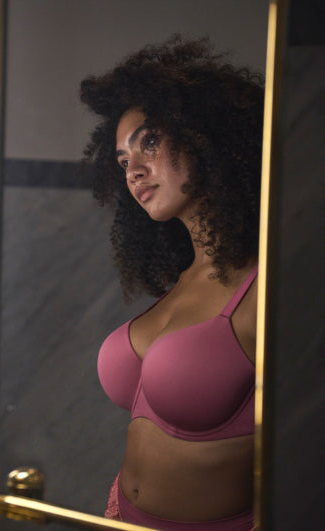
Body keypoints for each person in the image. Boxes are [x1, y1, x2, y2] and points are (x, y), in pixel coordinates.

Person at [80, 36, 263, 530]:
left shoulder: (266, 285)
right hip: (121, 515)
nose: (134, 171)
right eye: (122, 161)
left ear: (208, 136)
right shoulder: (182, 280)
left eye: (151, 143)